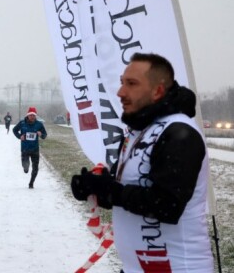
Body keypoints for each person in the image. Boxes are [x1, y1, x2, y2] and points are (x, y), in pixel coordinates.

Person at [70, 53, 213, 272]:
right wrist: (94, 187)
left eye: (132, 84)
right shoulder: (138, 131)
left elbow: (167, 205)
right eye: (121, 83)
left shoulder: (179, 132)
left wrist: (109, 191)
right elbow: (133, 192)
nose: (120, 92)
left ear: (158, 91)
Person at [13, 107, 47, 189]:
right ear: (27, 115)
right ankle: (26, 168)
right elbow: (14, 130)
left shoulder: (39, 124)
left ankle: (31, 183)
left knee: (35, 167)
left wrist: (41, 134)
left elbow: (45, 135)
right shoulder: (22, 123)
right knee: (26, 167)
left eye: (34, 115)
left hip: (35, 149)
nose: (32, 117)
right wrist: (19, 136)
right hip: (25, 149)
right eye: (30, 115)